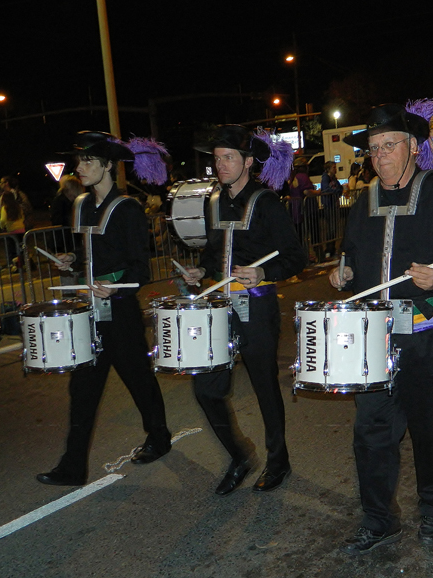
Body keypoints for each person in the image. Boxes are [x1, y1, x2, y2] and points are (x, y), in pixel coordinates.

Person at [329, 103, 433, 555]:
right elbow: (352, 254)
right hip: (376, 338)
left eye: (388, 146)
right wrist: (342, 272)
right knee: (372, 433)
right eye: (374, 149)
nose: (379, 156)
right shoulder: (363, 201)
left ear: (413, 149)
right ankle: (379, 520)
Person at [37, 131, 172, 486]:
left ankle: (159, 437)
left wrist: (115, 286)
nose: (80, 168)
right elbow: (88, 255)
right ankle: (72, 466)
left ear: (109, 166)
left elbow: (140, 267)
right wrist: (72, 261)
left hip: (122, 310)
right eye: (79, 162)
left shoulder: (128, 208)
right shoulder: (80, 204)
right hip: (90, 312)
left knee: (139, 380)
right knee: (82, 389)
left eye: (89, 162)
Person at [183, 125, 306, 496]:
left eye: (229, 158)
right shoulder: (213, 202)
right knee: (205, 386)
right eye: (217, 159)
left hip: (257, 306)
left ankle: (278, 460)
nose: (221, 165)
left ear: (249, 162)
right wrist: (201, 270)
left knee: (265, 387)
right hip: (218, 307)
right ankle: (239, 456)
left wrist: (264, 272)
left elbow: (297, 258)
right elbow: (211, 254)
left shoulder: (267, 202)